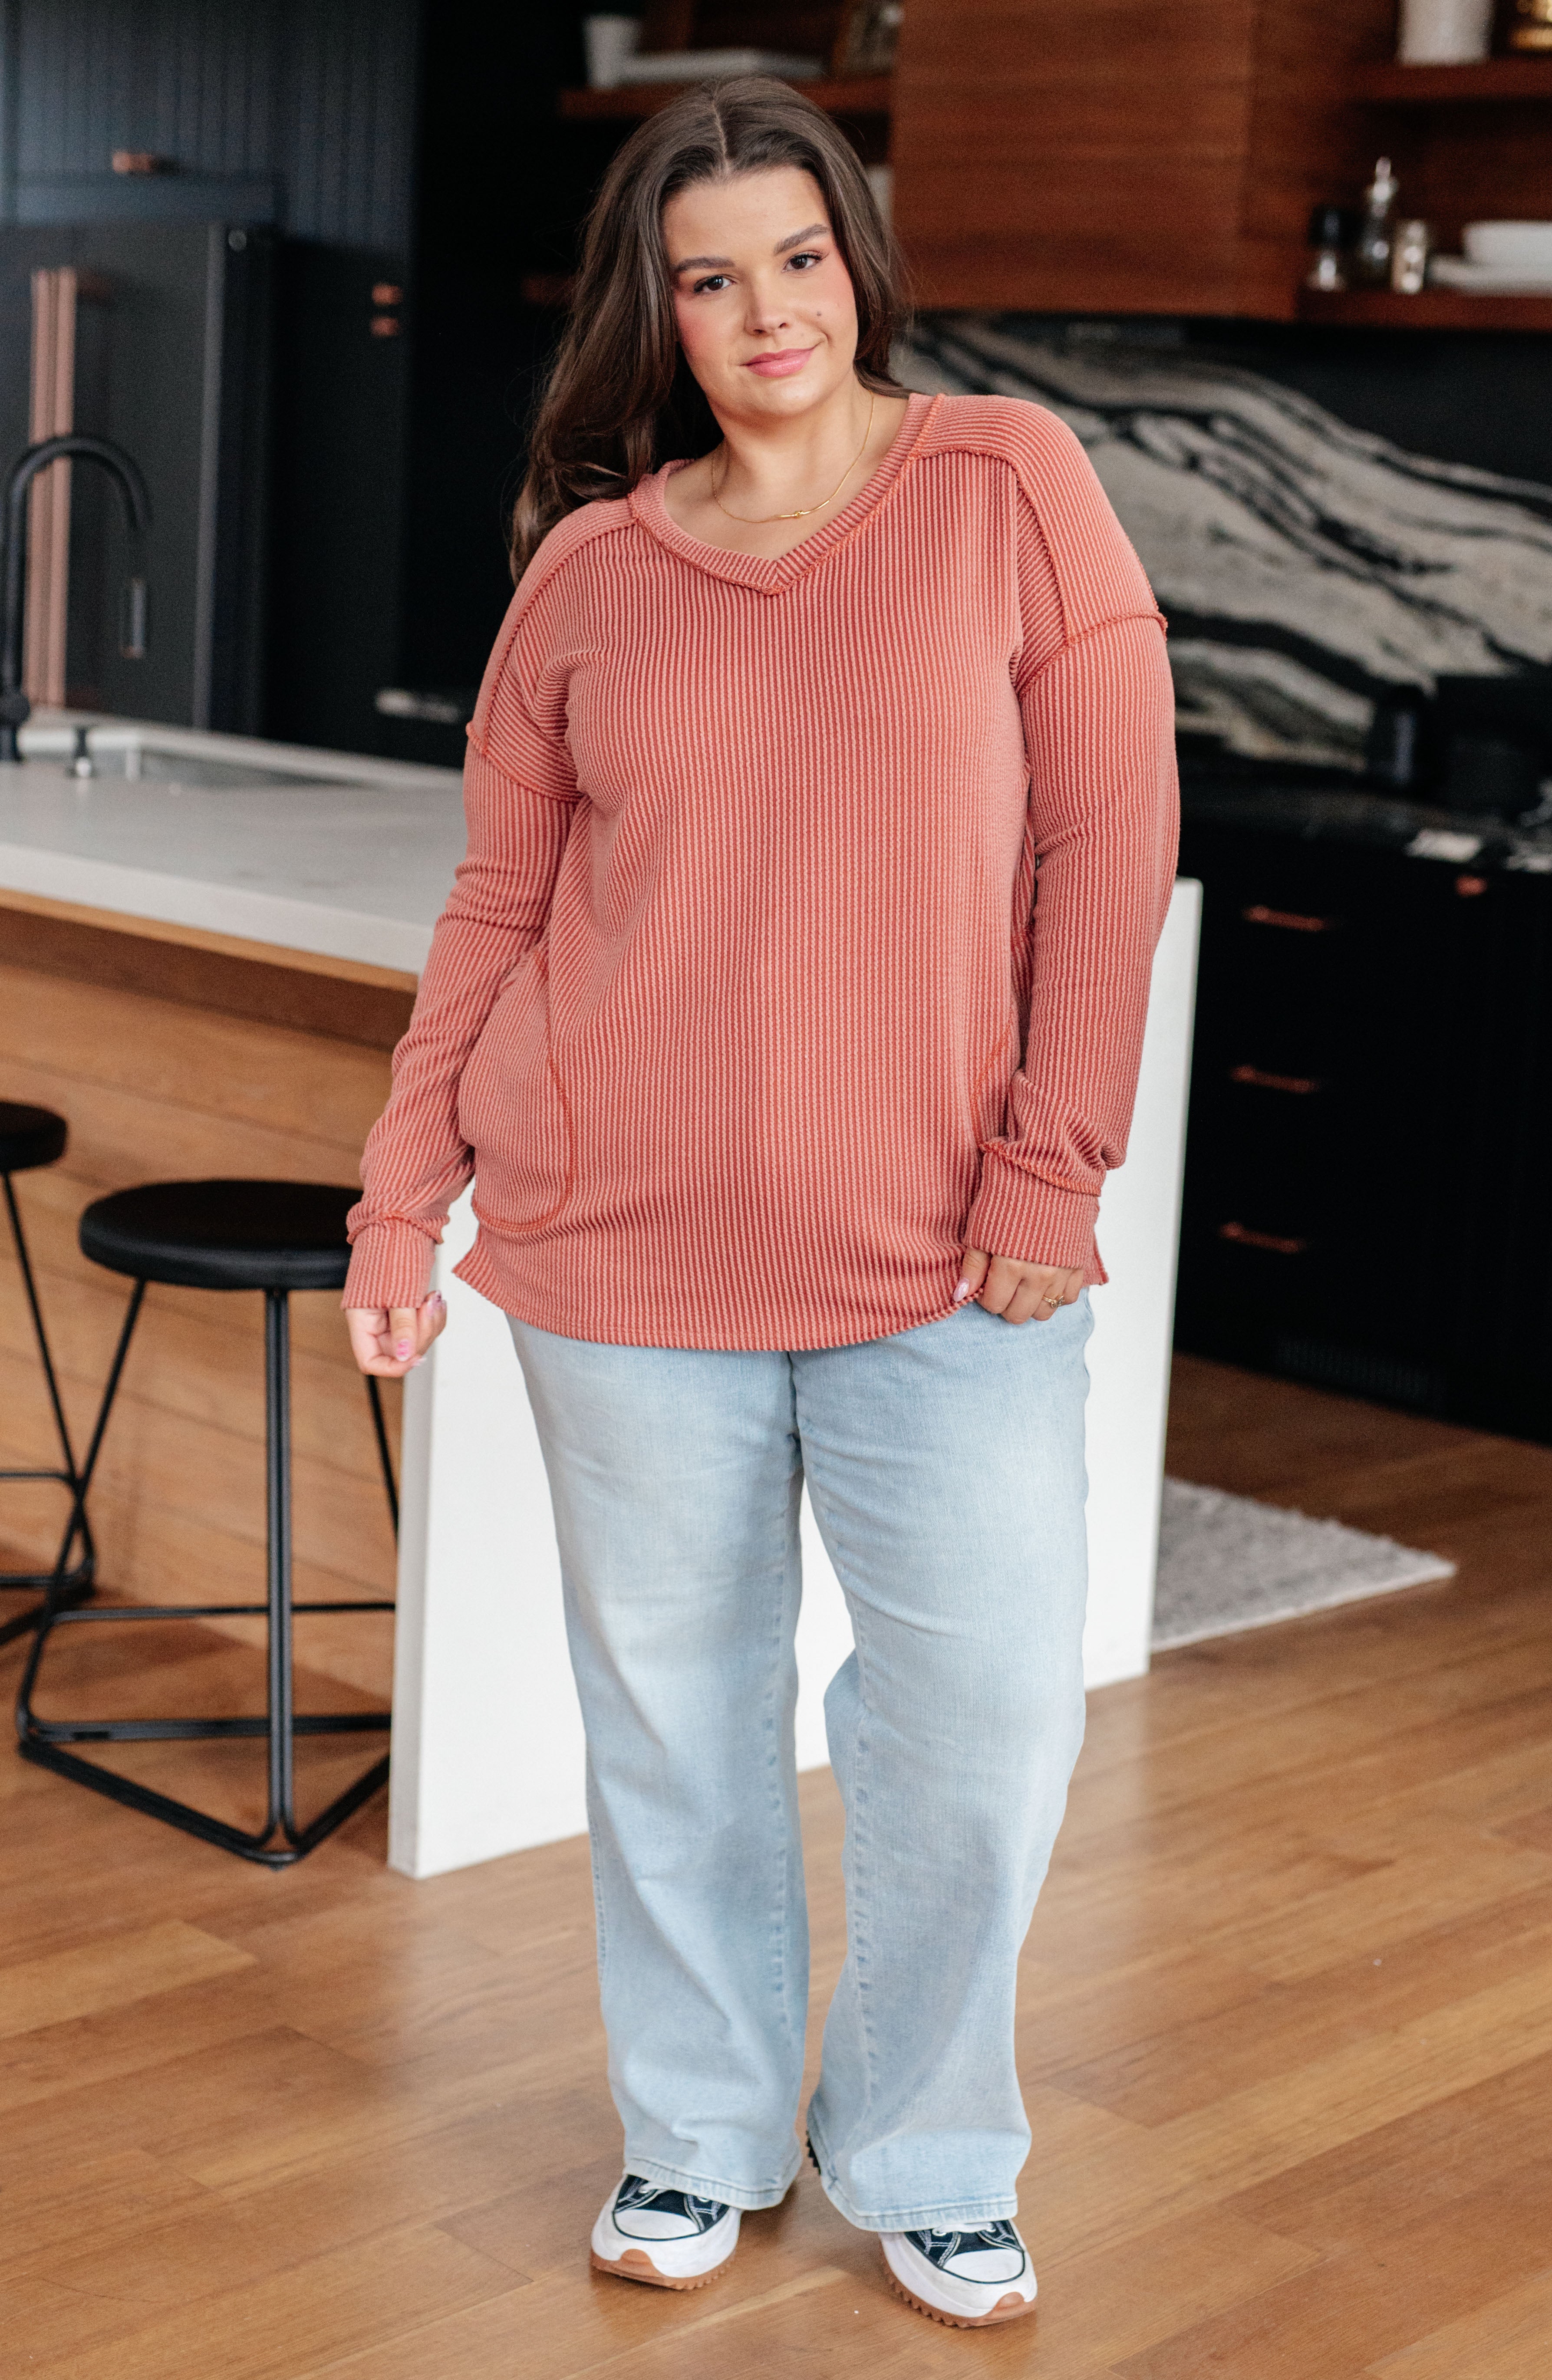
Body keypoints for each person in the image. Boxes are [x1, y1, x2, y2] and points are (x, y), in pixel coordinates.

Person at [343, 76, 1177, 2332]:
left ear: (856, 262)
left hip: (949, 1255)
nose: (763, 310)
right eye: (708, 277)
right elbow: (499, 899)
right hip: (621, 1247)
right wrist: (401, 1193)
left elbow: (1113, 851)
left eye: (795, 258)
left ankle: (925, 2151)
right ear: (661, 310)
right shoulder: (594, 571)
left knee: (983, 1719)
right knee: (677, 1720)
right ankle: (699, 2135)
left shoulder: (1013, 486)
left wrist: (1052, 1161)